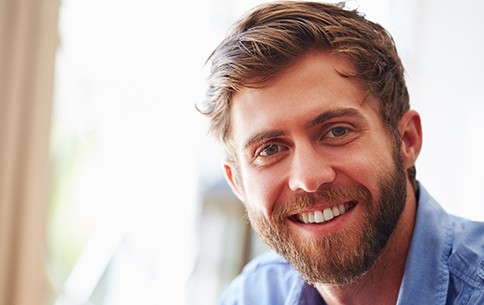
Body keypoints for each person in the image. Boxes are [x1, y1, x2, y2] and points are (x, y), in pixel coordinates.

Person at [197, 1, 484, 304]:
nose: (308, 179)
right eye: (270, 149)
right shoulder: (253, 295)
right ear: (238, 183)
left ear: (407, 141)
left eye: (337, 131)